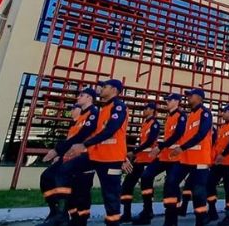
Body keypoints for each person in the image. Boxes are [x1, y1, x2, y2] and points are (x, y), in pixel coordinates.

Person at [63, 79, 129, 226]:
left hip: (111, 159)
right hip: (95, 156)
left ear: (114, 90)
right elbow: (95, 133)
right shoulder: (103, 109)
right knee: (65, 172)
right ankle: (66, 216)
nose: (101, 89)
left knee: (111, 196)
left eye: (105, 86)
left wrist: (84, 145)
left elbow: (110, 130)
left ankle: (113, 223)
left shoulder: (119, 107)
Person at [39, 88, 99, 226]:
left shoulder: (93, 114)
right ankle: (56, 212)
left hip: (85, 157)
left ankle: (68, 216)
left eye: (82, 95)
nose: (78, 97)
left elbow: (83, 136)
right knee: (47, 177)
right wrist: (60, 153)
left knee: (78, 190)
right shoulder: (79, 119)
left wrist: (57, 151)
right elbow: (72, 140)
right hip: (70, 157)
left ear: (89, 98)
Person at [132, 93, 186, 225]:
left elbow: (178, 134)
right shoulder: (169, 117)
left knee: (170, 185)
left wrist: (160, 146)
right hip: (164, 157)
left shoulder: (181, 116)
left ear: (177, 101)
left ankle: (171, 220)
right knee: (146, 176)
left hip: (176, 158)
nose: (166, 102)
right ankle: (147, 210)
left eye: (169, 100)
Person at [169, 88, 213, 226]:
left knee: (198, 192)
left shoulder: (205, 113)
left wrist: (182, 148)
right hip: (186, 159)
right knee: (171, 182)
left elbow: (201, 134)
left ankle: (201, 219)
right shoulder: (190, 115)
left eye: (190, 95)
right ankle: (172, 217)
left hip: (200, 160)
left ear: (199, 98)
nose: (188, 97)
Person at [120, 101, 160, 223]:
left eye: (146, 108)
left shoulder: (154, 124)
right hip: (140, 159)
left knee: (146, 187)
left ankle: (147, 212)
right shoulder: (145, 124)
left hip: (148, 160)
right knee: (127, 185)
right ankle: (127, 213)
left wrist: (134, 151)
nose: (144, 110)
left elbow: (150, 141)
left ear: (152, 110)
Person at [208, 104, 229, 226]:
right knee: (209, 183)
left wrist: (223, 154)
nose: (222, 113)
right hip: (219, 162)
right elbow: (217, 145)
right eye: (222, 111)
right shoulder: (222, 128)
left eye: (224, 111)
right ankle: (212, 211)